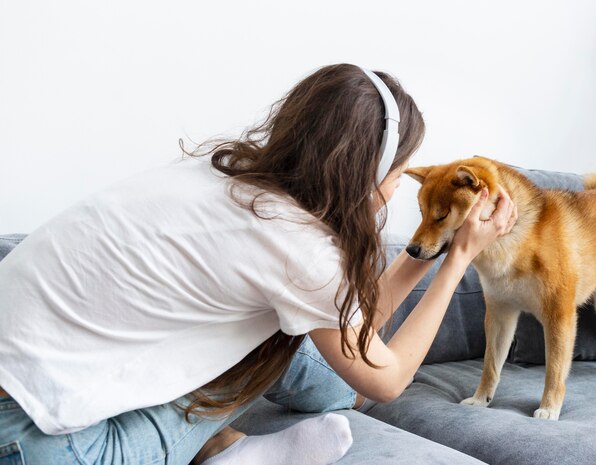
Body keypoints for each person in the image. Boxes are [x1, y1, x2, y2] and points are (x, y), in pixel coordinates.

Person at [0, 63, 517, 465]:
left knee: (280, 334)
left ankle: (227, 443)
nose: (396, 186)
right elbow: (386, 380)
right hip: (34, 444)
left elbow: (354, 325)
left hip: (25, 394)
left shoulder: (226, 175)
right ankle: (228, 451)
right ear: (366, 170)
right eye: (398, 172)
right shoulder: (297, 247)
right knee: (274, 343)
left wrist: (431, 244)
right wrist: (459, 257)